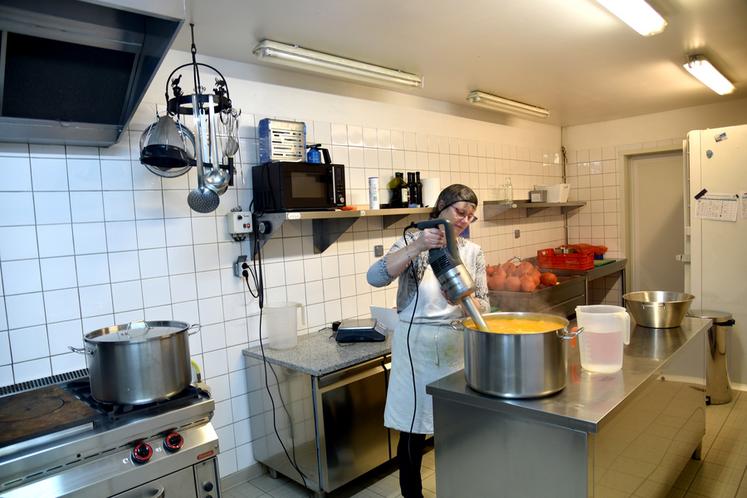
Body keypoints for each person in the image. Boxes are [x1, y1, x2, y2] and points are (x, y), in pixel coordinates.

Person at [367, 184, 489, 498]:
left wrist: (463, 300)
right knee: (412, 431)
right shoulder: (411, 241)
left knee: (457, 430)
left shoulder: (472, 252)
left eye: (470, 216)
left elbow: (485, 306)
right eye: (460, 212)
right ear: (440, 208)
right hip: (414, 349)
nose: (464, 220)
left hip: (453, 347)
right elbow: (375, 276)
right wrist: (417, 245)